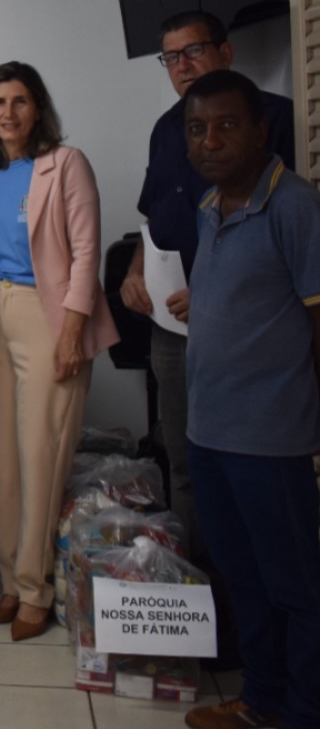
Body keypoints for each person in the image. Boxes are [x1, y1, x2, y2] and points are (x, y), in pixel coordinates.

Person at [119, 12, 294, 664]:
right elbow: (153, 215)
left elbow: (272, 230)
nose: (183, 64)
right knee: (188, 470)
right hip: (172, 333)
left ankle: (270, 635)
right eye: (169, 57)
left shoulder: (274, 116)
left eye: (193, 51)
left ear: (225, 50)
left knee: (254, 476)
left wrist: (217, 289)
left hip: (244, 337)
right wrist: (136, 269)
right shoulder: (168, 129)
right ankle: (211, 620)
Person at [176, 70, 320, 729]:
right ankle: (259, 701)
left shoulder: (294, 204)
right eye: (198, 128)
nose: (211, 140)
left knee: (294, 585)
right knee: (244, 577)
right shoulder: (210, 209)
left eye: (228, 124)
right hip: (209, 432)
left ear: (261, 130)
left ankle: (301, 709)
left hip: (270, 438)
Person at [0, 62, 119, 641]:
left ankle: (37, 589)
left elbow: (86, 252)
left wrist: (71, 332)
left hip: (47, 314)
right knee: (4, 457)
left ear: (38, 109)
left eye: (20, 101)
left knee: (41, 456)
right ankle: (12, 582)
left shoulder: (67, 165)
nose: (9, 112)